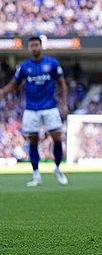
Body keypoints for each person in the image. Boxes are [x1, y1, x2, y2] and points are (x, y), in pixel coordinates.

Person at [0, 36, 69, 187]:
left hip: (50, 107)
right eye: (32, 46)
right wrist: (3, 92)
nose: (34, 48)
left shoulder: (52, 63)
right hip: (31, 109)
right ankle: (36, 174)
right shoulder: (24, 67)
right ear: (29, 48)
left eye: (36, 45)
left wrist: (64, 104)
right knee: (33, 140)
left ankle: (57, 168)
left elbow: (62, 84)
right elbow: (14, 83)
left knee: (57, 138)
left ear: (41, 46)